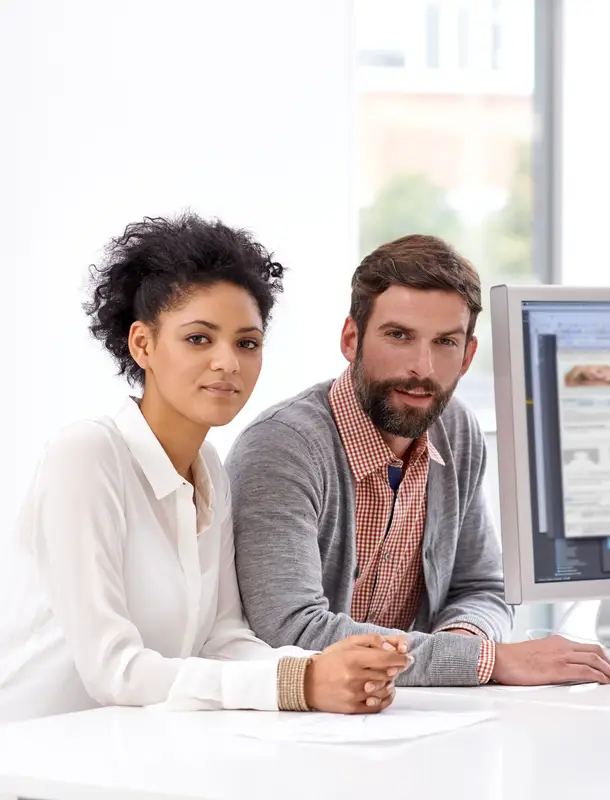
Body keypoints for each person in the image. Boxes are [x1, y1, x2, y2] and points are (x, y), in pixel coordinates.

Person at [0, 214, 410, 723]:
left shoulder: (209, 469)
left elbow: (222, 638)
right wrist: (299, 683)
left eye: (247, 343)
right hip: (33, 757)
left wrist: (332, 666)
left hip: (133, 755)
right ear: (142, 345)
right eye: (199, 339)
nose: (228, 363)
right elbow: (113, 670)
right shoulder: (86, 455)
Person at [225, 234, 610, 687]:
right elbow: (290, 630)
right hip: (292, 725)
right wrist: (485, 661)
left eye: (446, 343)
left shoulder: (457, 431)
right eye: (399, 336)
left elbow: (482, 588)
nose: (423, 367)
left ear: (469, 355)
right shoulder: (282, 448)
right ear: (351, 339)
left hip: (413, 712)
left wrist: (461, 640)